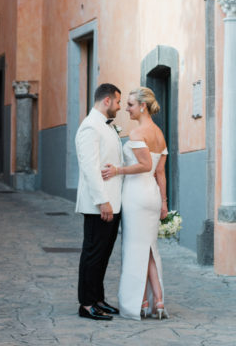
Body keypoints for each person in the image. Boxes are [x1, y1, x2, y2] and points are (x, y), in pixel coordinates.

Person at [102, 87, 168, 320]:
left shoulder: (138, 133)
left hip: (136, 196)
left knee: (134, 248)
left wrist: (118, 170)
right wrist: (164, 202)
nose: (126, 108)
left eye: (130, 104)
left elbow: (145, 165)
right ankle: (156, 300)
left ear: (142, 106)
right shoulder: (159, 133)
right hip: (151, 194)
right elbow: (160, 172)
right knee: (149, 248)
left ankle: (140, 302)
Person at [75, 83, 123, 321]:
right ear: (107, 101)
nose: (120, 106)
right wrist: (102, 201)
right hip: (99, 205)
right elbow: (90, 168)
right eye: (118, 102)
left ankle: (98, 299)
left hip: (113, 203)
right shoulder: (90, 127)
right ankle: (86, 304)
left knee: (103, 254)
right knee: (93, 254)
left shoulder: (106, 126)